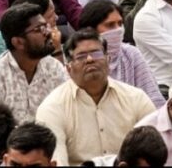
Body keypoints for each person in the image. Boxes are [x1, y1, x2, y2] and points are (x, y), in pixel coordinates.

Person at [35, 29, 156, 165]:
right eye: (81, 56)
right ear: (68, 69)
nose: (90, 59)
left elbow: (154, 151)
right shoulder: (53, 107)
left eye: (96, 53)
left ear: (108, 60)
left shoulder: (136, 98)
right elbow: (57, 162)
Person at [0, 2, 67, 123]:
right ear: (18, 42)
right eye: (39, 29)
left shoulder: (54, 68)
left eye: (46, 26)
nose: (48, 32)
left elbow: (68, 114)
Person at [77, 0, 164, 107]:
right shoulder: (78, 60)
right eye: (110, 25)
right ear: (91, 30)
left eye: (120, 24)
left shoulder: (131, 54)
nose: (118, 29)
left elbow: (153, 99)